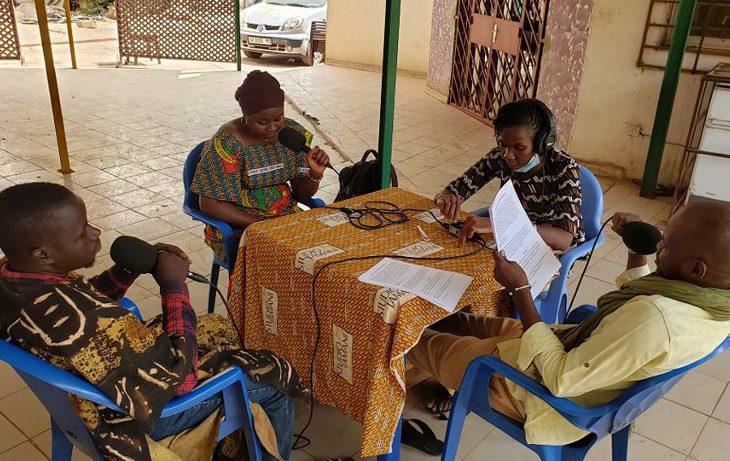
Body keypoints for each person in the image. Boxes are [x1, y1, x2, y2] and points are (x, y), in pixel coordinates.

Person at [0, 182, 309, 461]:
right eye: (83, 232)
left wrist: (127, 269)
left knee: (214, 324)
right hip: (133, 415)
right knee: (271, 375)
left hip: (76, 396)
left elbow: (83, 296)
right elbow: (181, 382)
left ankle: (233, 439)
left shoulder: (13, 278)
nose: (96, 233)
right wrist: (174, 287)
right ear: (43, 255)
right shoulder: (91, 320)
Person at [409, 202, 730, 444]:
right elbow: (640, 305)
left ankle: (392, 388)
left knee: (410, 336)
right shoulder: (712, 306)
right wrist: (638, 250)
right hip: (565, 350)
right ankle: (436, 366)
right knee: (458, 321)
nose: (659, 247)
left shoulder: (654, 322)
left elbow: (561, 378)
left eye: (666, 245)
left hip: (541, 396)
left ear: (695, 270)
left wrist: (520, 290)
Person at [191, 70, 330, 263]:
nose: (272, 128)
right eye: (262, 122)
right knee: (282, 262)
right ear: (245, 115)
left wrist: (314, 174)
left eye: (278, 119)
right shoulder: (227, 143)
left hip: (284, 221)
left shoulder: (294, 135)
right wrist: (261, 224)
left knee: (325, 255)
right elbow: (210, 204)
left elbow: (301, 195)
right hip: (236, 227)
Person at [435, 98, 583, 251]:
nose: (508, 155)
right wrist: (445, 198)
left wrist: (500, 226)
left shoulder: (564, 167)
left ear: (541, 144)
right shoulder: (499, 158)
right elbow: (455, 189)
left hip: (548, 249)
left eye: (519, 147)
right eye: (502, 144)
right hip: (508, 240)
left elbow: (564, 239)